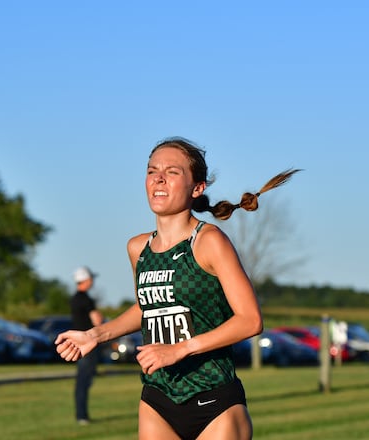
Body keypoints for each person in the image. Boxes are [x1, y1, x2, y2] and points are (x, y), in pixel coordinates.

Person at [56, 137, 299, 439]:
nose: (158, 178)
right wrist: (94, 335)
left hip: (214, 401)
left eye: (172, 172)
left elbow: (250, 320)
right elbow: (148, 307)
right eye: (152, 170)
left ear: (197, 188)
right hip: (158, 399)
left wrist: (180, 350)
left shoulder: (209, 241)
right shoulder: (137, 248)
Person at [70, 266, 104, 426]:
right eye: (91, 278)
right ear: (85, 280)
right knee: (84, 381)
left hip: (78, 343)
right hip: (88, 345)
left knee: (81, 381)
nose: (92, 282)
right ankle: (82, 416)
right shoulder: (86, 300)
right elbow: (97, 321)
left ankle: (81, 414)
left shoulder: (74, 299)